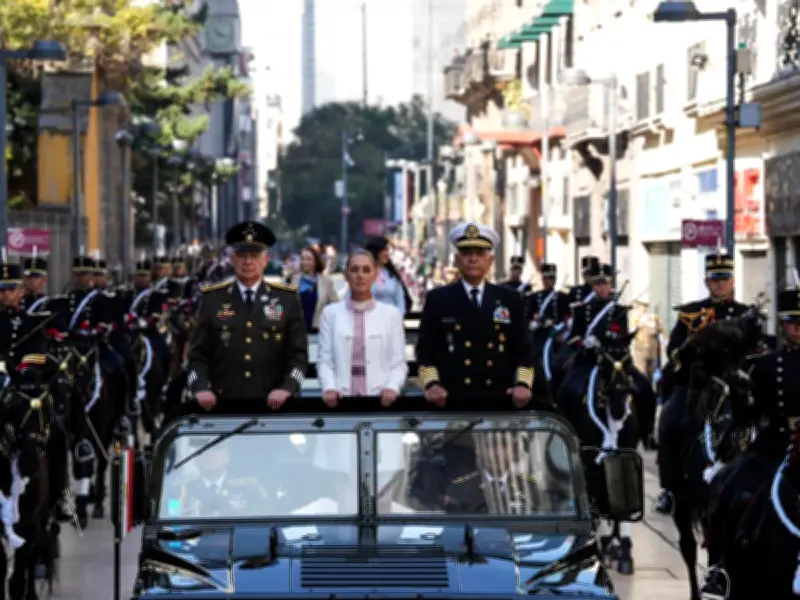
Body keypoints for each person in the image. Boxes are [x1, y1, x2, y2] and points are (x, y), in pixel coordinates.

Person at [654, 251, 751, 515]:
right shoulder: (691, 313)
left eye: (725, 278)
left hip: (735, 386)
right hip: (697, 386)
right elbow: (673, 352)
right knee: (669, 423)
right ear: (706, 281)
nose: (720, 283)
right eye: (715, 278)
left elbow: (757, 352)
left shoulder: (746, 314)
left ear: (733, 280)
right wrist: (693, 348)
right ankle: (669, 490)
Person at [187, 221, 308, 410]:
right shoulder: (213, 299)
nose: (248, 262)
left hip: (275, 406)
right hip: (224, 405)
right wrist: (201, 388)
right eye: (242, 256)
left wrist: (287, 388)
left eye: (254, 255)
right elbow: (197, 355)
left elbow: (298, 356)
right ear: (233, 260)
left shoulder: (286, 299)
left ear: (265, 260)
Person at [416, 222, 535, 407]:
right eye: (466, 253)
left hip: (500, 397)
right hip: (452, 397)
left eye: (480, 253)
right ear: (456, 260)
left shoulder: (510, 299)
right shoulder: (438, 298)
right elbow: (426, 349)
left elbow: (523, 348)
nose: (473, 259)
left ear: (491, 260)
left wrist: (522, 384)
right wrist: (432, 384)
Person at [318, 249, 407, 407]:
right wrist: (329, 387)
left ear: (375, 275)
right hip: (340, 400)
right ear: (346, 276)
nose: (360, 276)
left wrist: (392, 387)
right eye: (354, 270)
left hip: (380, 400)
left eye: (366, 270)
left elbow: (398, 363)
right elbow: (325, 360)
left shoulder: (391, 314)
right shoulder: (330, 313)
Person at [444, 432, 538, 514]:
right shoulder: (459, 489)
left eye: (504, 445)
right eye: (490, 446)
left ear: (512, 451)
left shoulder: (530, 488)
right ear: (479, 450)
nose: (497, 453)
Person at [291, 246, 338, 330]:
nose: (304, 262)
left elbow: (335, 305)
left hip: (318, 331)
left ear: (316, 262)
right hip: (296, 331)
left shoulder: (326, 281)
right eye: (302, 258)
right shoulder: (293, 279)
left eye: (308, 259)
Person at [363, 236, 411, 315]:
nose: (387, 253)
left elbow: (400, 302)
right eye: (384, 250)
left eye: (387, 250)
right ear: (376, 251)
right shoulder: (362, 274)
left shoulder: (392, 276)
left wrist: (395, 319)